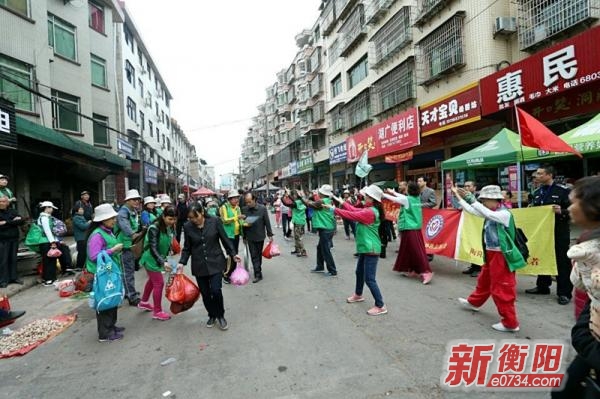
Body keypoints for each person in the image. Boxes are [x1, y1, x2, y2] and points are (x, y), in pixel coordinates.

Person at [453, 185, 526, 332]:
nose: (483, 203)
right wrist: (459, 197)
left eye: (485, 200)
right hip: (491, 254)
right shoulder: (491, 211)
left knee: (502, 288)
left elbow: (483, 211)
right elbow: (473, 210)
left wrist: (471, 199)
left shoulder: (503, 214)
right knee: (484, 281)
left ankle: (510, 323)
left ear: (495, 200)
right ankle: (474, 302)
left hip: (502, 256)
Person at [326, 184, 387, 316]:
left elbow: (351, 214)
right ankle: (358, 294)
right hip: (366, 248)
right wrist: (341, 202)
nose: (364, 197)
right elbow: (353, 209)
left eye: (367, 196)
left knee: (370, 279)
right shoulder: (370, 208)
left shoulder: (370, 212)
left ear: (372, 199)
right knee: (359, 272)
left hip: (371, 248)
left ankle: (380, 305)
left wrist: (334, 209)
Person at [177, 202, 240, 330]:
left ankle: (220, 315)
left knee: (216, 291)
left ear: (202, 212)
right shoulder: (188, 227)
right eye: (191, 218)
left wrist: (233, 254)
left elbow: (225, 239)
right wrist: (181, 262)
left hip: (216, 262)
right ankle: (211, 314)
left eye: (196, 217)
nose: (194, 220)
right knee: (205, 294)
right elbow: (187, 248)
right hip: (199, 265)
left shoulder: (215, 221)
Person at [525, 165, 573, 305]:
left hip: (559, 232)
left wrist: (562, 212)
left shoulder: (564, 191)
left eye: (540, 174)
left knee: (561, 261)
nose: (536, 176)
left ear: (549, 175)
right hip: (541, 232)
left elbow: (575, 211)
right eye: (536, 174)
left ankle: (564, 293)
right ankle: (543, 285)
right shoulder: (537, 192)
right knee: (542, 256)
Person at [86, 203, 125, 342]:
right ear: (102, 220)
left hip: (109, 270)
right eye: (111, 218)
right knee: (105, 301)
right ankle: (105, 332)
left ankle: (111, 326)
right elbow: (94, 256)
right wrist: (113, 250)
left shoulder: (108, 231)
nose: (114, 220)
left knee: (112, 297)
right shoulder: (97, 235)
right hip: (100, 273)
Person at [384, 183, 433, 284]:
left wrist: (383, 194)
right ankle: (411, 269)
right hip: (414, 228)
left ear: (409, 190)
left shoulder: (407, 200)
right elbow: (402, 197)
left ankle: (426, 272)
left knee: (416, 251)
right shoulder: (416, 198)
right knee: (408, 250)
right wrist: (393, 192)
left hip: (410, 228)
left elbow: (399, 199)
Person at [138, 206, 177, 321]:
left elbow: (168, 243)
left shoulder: (168, 227)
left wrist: (170, 259)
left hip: (159, 258)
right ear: (163, 216)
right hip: (151, 259)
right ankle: (157, 311)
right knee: (159, 283)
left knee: (152, 281)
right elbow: (153, 248)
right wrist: (162, 262)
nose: (172, 222)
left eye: (174, 219)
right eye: (170, 219)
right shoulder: (154, 228)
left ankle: (144, 302)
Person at [116, 189, 143, 306]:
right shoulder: (123, 212)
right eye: (134, 199)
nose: (137, 201)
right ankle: (131, 296)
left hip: (130, 245)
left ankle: (129, 291)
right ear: (127, 200)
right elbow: (124, 225)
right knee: (127, 272)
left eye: (138, 199)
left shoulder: (132, 211)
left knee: (129, 271)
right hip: (124, 246)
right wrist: (133, 234)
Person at [303, 184, 338, 275]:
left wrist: (301, 197)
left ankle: (332, 270)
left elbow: (309, 204)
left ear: (322, 193)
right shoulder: (328, 200)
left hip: (325, 228)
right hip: (328, 227)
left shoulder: (321, 201)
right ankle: (320, 266)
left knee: (325, 250)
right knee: (320, 248)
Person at [38, 201, 72, 286]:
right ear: (46, 208)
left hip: (48, 241)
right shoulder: (44, 218)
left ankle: (51, 278)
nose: (51, 209)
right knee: (48, 261)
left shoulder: (47, 217)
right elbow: (47, 231)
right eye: (50, 208)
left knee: (51, 260)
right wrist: (52, 242)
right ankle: (48, 279)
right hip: (46, 242)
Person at [241, 192, 273, 283]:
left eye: (249, 202)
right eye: (246, 202)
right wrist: (243, 236)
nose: (248, 204)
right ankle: (257, 274)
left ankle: (258, 270)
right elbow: (242, 225)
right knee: (253, 255)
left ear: (254, 200)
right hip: (249, 236)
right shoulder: (244, 209)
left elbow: (267, 222)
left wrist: (270, 234)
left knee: (258, 255)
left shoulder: (262, 209)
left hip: (260, 235)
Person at [454, 181, 481, 277]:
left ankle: (479, 268)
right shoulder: (464, 197)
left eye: (469, 186)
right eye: (465, 186)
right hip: (468, 224)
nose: (466, 188)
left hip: (477, 225)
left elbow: (477, 207)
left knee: (477, 245)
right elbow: (461, 206)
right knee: (470, 244)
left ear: (474, 187)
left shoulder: (479, 197)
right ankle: (473, 266)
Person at [0, 196, 24, 287]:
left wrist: (6, 222)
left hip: (14, 238)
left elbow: (21, 221)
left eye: (3, 201)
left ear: (7, 203)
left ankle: (13, 277)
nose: (1, 203)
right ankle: (3, 280)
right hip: (2, 239)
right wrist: (12, 222)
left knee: (13, 259)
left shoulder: (13, 211)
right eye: (0, 201)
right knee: (3, 260)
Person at [219, 189, 243, 284]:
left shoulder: (238, 208)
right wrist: (237, 218)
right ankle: (226, 274)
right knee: (230, 255)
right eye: (234, 198)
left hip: (236, 234)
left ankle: (231, 272)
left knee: (235, 254)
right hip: (228, 235)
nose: (236, 200)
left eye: (237, 198)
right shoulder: (224, 207)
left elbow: (239, 220)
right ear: (229, 199)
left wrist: (244, 223)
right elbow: (225, 220)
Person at [286, 190, 307, 257]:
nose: (293, 196)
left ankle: (302, 251)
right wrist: (289, 194)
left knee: (298, 237)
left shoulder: (296, 203)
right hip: (300, 221)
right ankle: (297, 249)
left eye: (294, 195)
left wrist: (282, 197)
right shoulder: (302, 202)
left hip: (298, 221)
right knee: (296, 236)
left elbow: (286, 204)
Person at [72, 206, 90, 271]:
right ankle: (79, 266)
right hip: (80, 237)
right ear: (76, 210)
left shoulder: (81, 217)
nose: (82, 210)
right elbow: (83, 226)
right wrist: (88, 223)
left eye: (82, 209)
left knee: (84, 252)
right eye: (80, 209)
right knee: (81, 252)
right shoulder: (76, 218)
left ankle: (83, 266)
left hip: (84, 237)